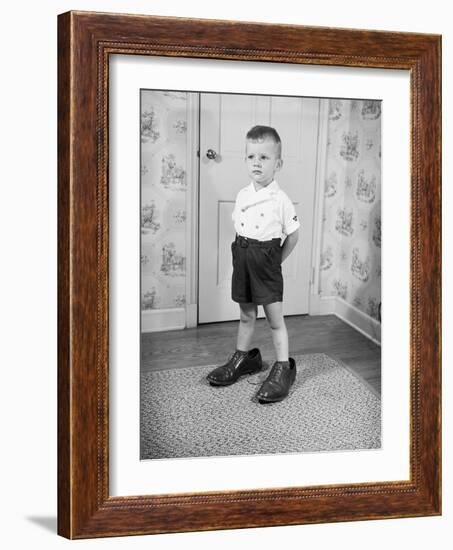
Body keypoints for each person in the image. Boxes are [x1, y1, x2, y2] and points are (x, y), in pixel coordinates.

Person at [206, 125, 300, 403]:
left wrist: (276, 263)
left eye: (264, 157)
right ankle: (244, 359)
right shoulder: (243, 194)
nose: (257, 163)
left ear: (278, 164)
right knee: (246, 314)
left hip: (266, 263)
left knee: (274, 320)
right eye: (251, 157)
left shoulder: (280, 200)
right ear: (245, 159)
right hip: (244, 259)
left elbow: (293, 237)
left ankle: (283, 367)